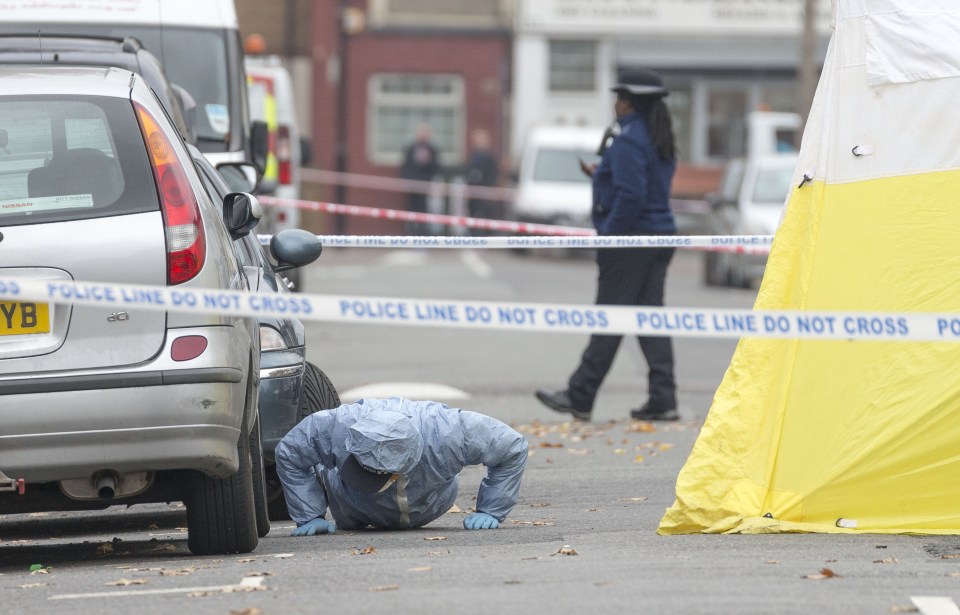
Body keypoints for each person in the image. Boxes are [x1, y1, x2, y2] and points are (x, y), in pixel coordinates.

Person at [535, 68, 680, 423]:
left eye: (619, 97)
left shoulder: (630, 138)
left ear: (629, 102)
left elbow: (631, 196)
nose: (615, 104)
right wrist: (601, 173)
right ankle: (663, 398)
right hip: (660, 235)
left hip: (631, 240)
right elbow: (643, 184)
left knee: (609, 317)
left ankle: (580, 395)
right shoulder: (658, 135)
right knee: (649, 319)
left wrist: (610, 236)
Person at [276, 397, 528, 535]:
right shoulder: (337, 426)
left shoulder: (450, 432)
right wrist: (310, 514)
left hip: (431, 505)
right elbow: (289, 453)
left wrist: (491, 509)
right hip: (352, 508)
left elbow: (513, 447)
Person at [400, 123, 440, 235]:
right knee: (411, 211)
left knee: (424, 212)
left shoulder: (432, 150)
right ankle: (411, 236)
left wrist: (428, 161)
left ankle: (423, 236)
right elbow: (405, 166)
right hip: (412, 186)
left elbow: (436, 167)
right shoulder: (411, 148)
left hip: (425, 186)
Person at [464, 128, 500, 233]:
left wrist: (489, 191)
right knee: (472, 216)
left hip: (485, 195)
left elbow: (493, 175)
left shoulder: (490, 157)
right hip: (473, 194)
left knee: (486, 217)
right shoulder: (473, 155)